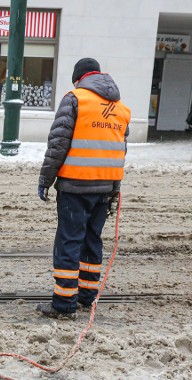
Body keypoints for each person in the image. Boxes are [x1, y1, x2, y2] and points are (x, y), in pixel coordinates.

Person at [35, 57, 131, 319]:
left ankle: (64, 304)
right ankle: (87, 296)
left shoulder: (75, 99)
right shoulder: (121, 108)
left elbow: (58, 144)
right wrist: (115, 188)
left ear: (79, 78)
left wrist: (46, 180)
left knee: (69, 241)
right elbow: (119, 151)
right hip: (104, 187)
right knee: (91, 240)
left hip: (75, 186)